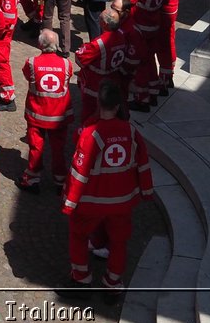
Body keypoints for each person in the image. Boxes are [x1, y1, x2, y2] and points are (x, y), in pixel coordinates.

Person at [61, 81, 154, 296]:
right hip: (122, 201)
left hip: (92, 202)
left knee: (78, 236)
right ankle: (113, 282)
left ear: (99, 103)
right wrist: (146, 192)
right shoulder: (131, 132)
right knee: (119, 241)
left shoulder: (91, 134)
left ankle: (82, 278)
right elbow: (143, 163)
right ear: (119, 105)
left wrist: (69, 202)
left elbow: (79, 172)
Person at [19, 28, 73, 194]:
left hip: (37, 115)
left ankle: (32, 179)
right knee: (58, 150)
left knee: (36, 148)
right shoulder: (66, 64)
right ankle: (60, 180)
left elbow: (27, 76)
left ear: (40, 44)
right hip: (59, 117)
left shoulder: (32, 63)